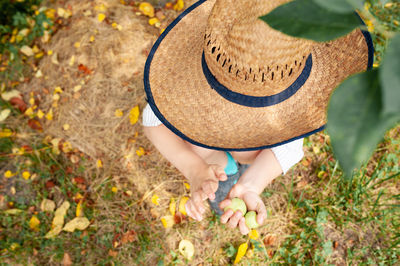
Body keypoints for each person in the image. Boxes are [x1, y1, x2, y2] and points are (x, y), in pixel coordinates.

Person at [141, 0, 373, 235]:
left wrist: (251, 184)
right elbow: (153, 120)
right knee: (204, 156)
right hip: (209, 150)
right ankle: (222, 170)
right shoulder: (198, 82)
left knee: (243, 163)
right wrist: (195, 169)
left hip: (250, 154)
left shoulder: (286, 114)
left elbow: (288, 149)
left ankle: (233, 172)